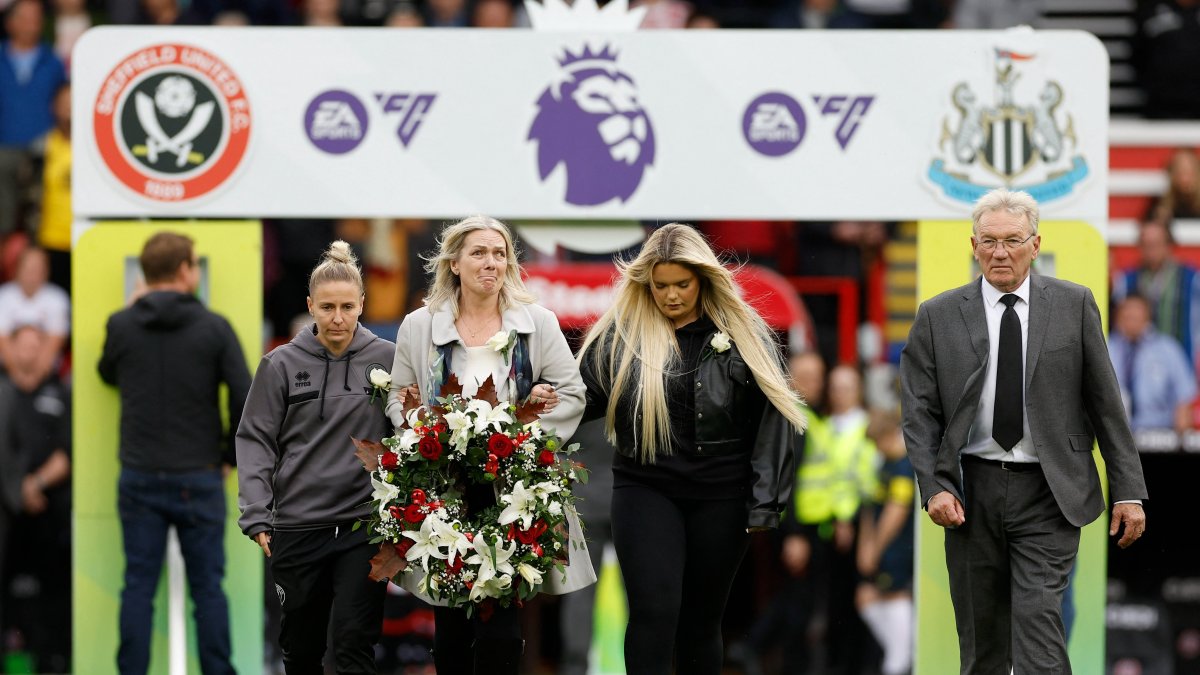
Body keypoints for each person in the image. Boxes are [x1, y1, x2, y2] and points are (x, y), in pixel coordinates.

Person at [900, 188, 1148, 673]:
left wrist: (1128, 490)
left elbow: (1106, 404)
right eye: (989, 241)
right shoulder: (937, 315)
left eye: (1012, 240)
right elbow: (918, 413)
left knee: (1039, 628)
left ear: (1035, 245)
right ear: (973, 246)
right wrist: (933, 487)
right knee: (983, 647)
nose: (1000, 252)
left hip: (1050, 491)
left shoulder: (1074, 304)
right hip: (970, 493)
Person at [577, 223, 807, 674]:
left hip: (722, 495)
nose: (671, 296)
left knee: (701, 623)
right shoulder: (621, 336)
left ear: (703, 278)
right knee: (654, 612)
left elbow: (774, 419)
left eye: (681, 284)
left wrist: (766, 502)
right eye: (660, 285)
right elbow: (576, 399)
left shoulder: (747, 334)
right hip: (645, 488)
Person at [384, 215, 587, 673]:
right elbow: (399, 395)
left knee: (502, 631)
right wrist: (420, 428)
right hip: (443, 489)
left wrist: (524, 438)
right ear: (454, 263)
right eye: (478, 253)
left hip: (511, 489)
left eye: (500, 253)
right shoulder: (418, 325)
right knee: (451, 629)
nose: (491, 262)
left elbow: (572, 393)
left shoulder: (538, 322)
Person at [237, 241, 395, 674]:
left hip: (364, 527)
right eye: (327, 307)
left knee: (354, 643)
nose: (337, 318)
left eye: (347, 307)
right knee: (302, 650)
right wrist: (256, 512)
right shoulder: (279, 365)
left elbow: (409, 433)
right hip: (297, 525)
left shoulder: (389, 359)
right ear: (310, 306)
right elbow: (255, 439)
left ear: (362, 304)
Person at [98, 232, 249, 675]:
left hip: (139, 473)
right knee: (208, 590)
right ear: (185, 270)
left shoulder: (121, 324)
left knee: (137, 587)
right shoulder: (214, 327)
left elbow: (107, 372)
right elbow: (244, 394)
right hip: (199, 474)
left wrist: (131, 310)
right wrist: (229, 456)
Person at [0, 324, 71, 672]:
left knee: (52, 591)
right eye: (23, 345)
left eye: (36, 345)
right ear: (10, 349)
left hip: (48, 509)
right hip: (6, 511)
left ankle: (51, 660)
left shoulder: (60, 393)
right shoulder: (3, 392)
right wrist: (17, 490)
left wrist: (34, 485)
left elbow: (68, 453)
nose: (29, 352)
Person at [0, 0, 66, 246]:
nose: (32, 24)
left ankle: (37, 257)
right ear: (9, 23)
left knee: (40, 213)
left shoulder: (53, 61)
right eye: (25, 18)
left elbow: (62, 101)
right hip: (4, 147)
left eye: (36, 18)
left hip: (44, 148)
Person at [855, 409, 913, 675]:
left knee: (893, 595)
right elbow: (872, 507)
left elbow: (896, 511)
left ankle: (899, 662)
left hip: (897, 548)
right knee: (867, 597)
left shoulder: (903, 465)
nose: (876, 448)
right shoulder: (885, 463)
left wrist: (874, 549)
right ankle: (899, 658)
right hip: (883, 548)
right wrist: (866, 545)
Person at [1111, 218, 1200, 364]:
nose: (1151, 250)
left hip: (1181, 362)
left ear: (1169, 244)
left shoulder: (1191, 279)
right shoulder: (1126, 280)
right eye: (1145, 244)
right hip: (1137, 365)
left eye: (1156, 244)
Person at [1109, 293, 1197, 433]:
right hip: (1115, 433)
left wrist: (1181, 440)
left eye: (1136, 316)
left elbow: (1184, 397)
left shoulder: (1167, 349)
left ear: (1148, 317)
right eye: (1127, 316)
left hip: (1160, 433)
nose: (1131, 321)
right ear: (1117, 317)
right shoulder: (1106, 348)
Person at [0, 246, 69, 376]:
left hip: (48, 374)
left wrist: (34, 377)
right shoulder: (3, 296)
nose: (32, 273)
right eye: (28, 267)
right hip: (6, 374)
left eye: (37, 268)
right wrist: (18, 375)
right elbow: (2, 342)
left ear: (46, 271)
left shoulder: (57, 298)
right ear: (17, 269)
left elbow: (55, 342)